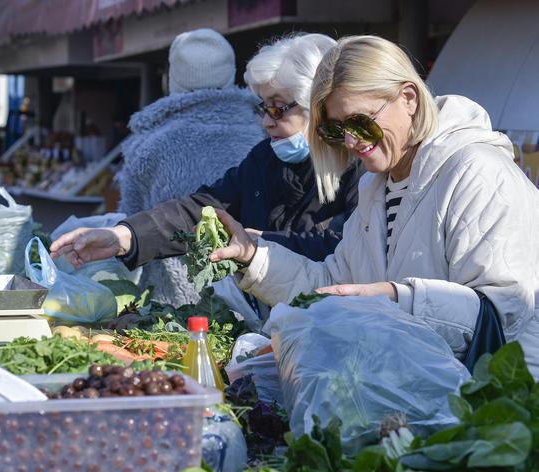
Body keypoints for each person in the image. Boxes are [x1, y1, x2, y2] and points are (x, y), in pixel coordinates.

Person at [207, 35, 539, 374]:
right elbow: (335, 284)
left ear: (408, 98)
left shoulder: (477, 173)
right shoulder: (377, 186)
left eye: (360, 121)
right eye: (336, 130)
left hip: (505, 407)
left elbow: (503, 311)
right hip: (432, 399)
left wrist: (393, 300)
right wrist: (254, 257)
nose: (351, 141)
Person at [52, 33, 362, 308]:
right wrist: (123, 236)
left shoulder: (361, 167)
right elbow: (202, 209)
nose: (266, 121)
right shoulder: (263, 158)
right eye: (262, 107)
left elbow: (345, 252)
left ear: (318, 106)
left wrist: (258, 245)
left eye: (278, 107)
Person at [117, 28, 262, 306]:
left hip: (171, 305)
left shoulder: (149, 145)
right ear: (231, 73)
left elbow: (131, 219)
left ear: (174, 78)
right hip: (258, 295)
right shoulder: (263, 137)